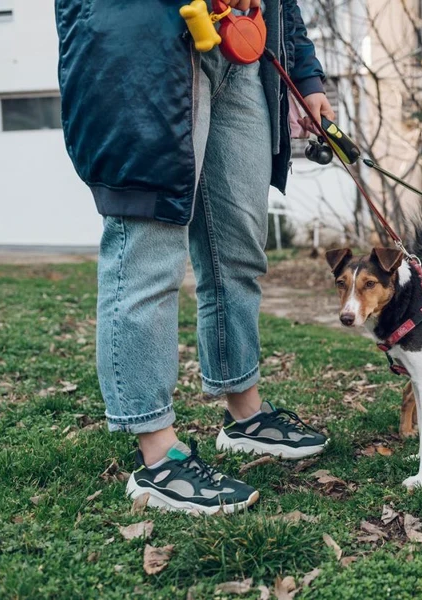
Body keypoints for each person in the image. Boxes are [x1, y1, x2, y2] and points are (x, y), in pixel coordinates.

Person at [55, 0, 332, 514]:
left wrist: (307, 77)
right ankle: (158, 454)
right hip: (145, 43)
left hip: (243, 51)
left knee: (238, 250)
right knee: (149, 250)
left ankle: (244, 411)